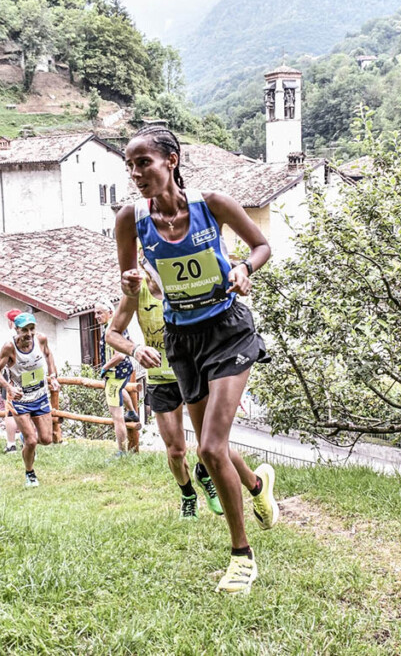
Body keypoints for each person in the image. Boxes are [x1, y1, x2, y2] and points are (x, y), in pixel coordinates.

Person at [115, 124, 279, 595]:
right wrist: (130, 282)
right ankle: (257, 486)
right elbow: (128, 278)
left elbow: (263, 246)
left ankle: (242, 556)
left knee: (209, 448)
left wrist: (244, 268)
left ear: (171, 161)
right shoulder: (130, 219)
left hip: (227, 329)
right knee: (214, 445)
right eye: (130, 166)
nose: (136, 174)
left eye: (143, 163)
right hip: (181, 340)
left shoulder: (213, 205)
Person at [104, 260, 224, 519]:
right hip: (160, 377)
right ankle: (188, 494)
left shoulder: (185, 281)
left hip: (193, 372)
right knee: (176, 450)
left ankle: (204, 474)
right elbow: (111, 334)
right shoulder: (137, 290)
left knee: (209, 443)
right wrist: (135, 349)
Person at [0, 312, 60, 487]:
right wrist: (9, 387)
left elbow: (48, 354)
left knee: (46, 439)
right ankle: (30, 473)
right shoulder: (9, 347)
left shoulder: (41, 339)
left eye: (32, 329)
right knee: (32, 441)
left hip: (40, 396)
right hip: (21, 400)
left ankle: (26, 440)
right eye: (24, 330)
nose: (29, 334)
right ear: (16, 329)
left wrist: (53, 376)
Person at [94, 300, 140, 455]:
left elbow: (119, 355)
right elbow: (130, 341)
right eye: (95, 313)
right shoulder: (117, 325)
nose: (96, 316)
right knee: (121, 390)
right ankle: (132, 412)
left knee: (117, 416)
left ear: (110, 312)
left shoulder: (112, 329)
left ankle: (122, 452)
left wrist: (104, 368)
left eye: (99, 313)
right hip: (124, 371)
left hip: (115, 374)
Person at [0, 308, 23, 453]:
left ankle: (11, 444)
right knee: (26, 410)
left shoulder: (8, 339)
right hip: (27, 377)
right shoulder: (28, 336)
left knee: (10, 412)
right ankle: (26, 442)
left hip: (11, 377)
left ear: (11, 322)